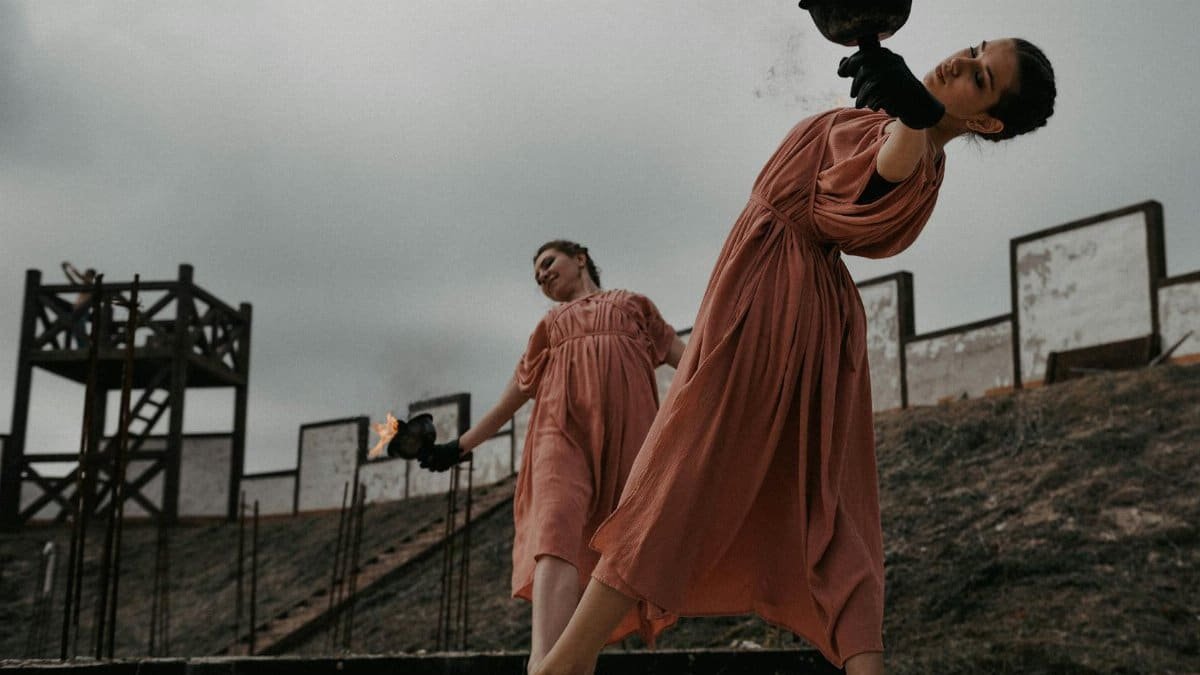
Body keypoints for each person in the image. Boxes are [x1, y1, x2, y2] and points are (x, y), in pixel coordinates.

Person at [531, 38, 1056, 675]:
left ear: (986, 121)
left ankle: (567, 662)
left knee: (680, 474)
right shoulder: (901, 134)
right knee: (827, 506)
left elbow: (867, 186)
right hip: (803, 309)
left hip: (771, 301)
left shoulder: (914, 151)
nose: (958, 62)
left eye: (979, 77)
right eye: (973, 50)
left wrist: (915, 118)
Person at [417, 240, 687, 671]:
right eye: (536, 275)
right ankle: (542, 663)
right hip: (559, 433)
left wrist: (738, 388)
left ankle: (572, 663)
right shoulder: (549, 324)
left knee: (622, 548)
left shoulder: (633, 305)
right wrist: (458, 446)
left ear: (580, 257)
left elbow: (688, 362)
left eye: (547, 263)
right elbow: (515, 395)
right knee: (554, 533)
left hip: (630, 438)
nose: (541, 276)